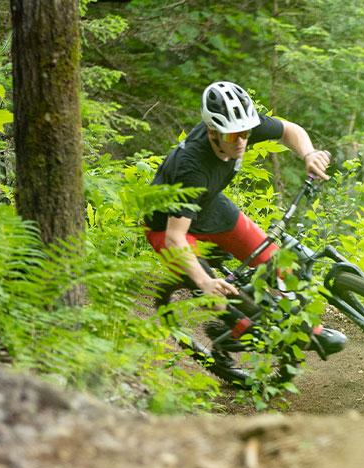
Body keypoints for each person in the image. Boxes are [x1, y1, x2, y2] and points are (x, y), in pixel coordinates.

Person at [145, 81, 346, 359]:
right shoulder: (191, 167)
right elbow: (174, 237)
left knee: (278, 262)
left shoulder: (241, 125)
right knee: (218, 296)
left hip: (210, 206)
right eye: (233, 136)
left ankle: (308, 330)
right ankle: (233, 337)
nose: (241, 141)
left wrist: (308, 154)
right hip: (166, 226)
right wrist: (204, 282)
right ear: (212, 132)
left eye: (245, 134)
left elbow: (290, 130)